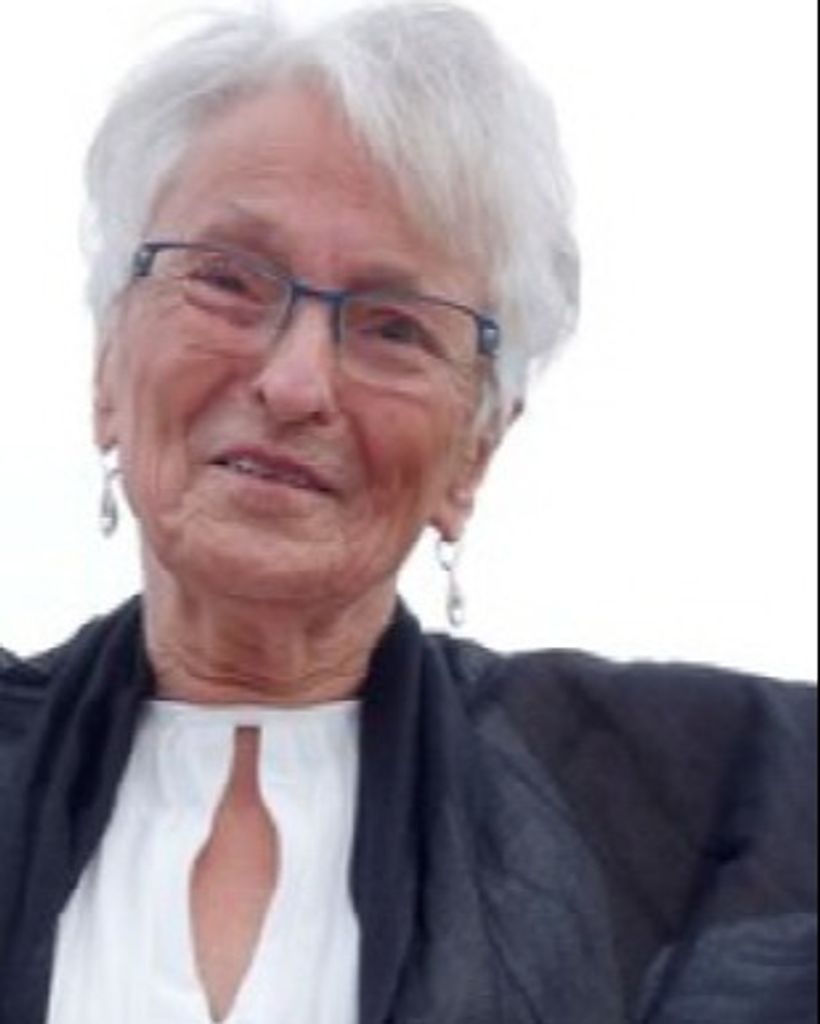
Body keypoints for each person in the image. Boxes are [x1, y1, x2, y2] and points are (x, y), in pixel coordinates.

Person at [0, 3, 815, 1022]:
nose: (295, 382)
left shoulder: (694, 808)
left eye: (394, 328)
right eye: (227, 280)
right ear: (107, 367)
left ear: (474, 450)